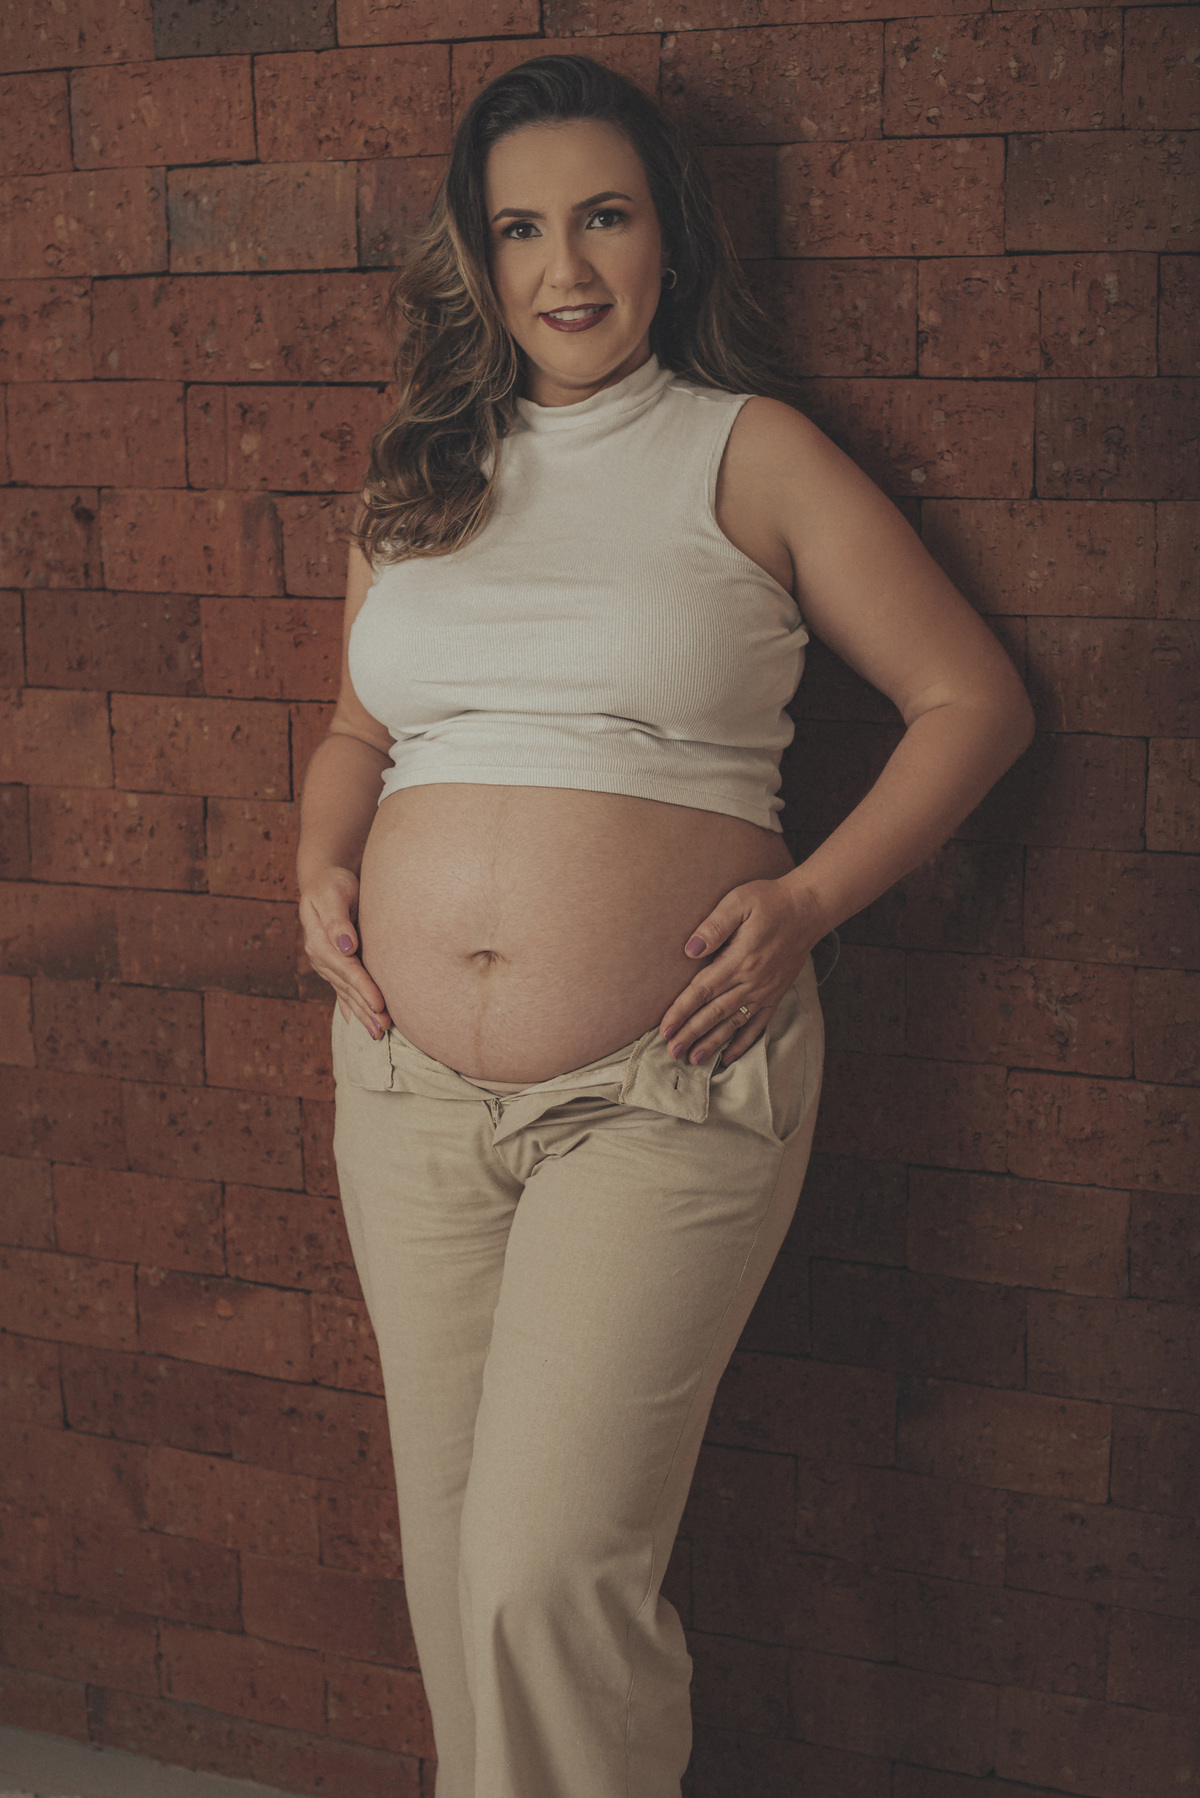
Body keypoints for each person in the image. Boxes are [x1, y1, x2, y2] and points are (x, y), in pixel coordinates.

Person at [295, 53, 1034, 1798]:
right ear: (476, 256)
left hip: (664, 1082)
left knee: (545, 1575)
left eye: (604, 217)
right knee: (455, 1570)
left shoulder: (747, 451)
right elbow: (354, 732)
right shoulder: (420, 471)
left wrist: (805, 903)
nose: (565, 267)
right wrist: (317, 866)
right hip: (405, 1088)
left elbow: (973, 702)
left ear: (668, 237)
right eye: (521, 228)